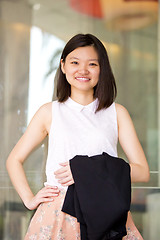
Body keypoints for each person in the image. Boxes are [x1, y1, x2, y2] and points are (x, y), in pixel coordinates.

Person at [6, 33, 150, 240]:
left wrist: (88, 172)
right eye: (75, 62)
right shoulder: (49, 112)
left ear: (102, 69)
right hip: (58, 212)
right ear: (63, 66)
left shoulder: (117, 113)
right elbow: (14, 160)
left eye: (92, 64)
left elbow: (142, 171)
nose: (83, 70)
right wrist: (29, 199)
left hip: (105, 210)